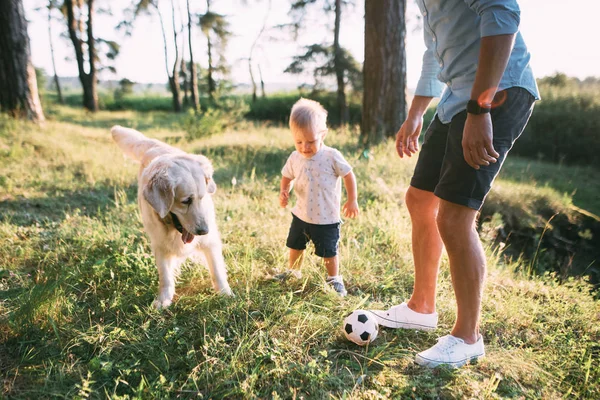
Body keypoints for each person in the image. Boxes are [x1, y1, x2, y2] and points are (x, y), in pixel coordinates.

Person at [371, 0, 540, 368]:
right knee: (419, 199)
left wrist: (480, 109)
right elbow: (435, 50)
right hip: (456, 97)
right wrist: (416, 112)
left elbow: (503, 13)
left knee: (453, 216)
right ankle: (421, 307)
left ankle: (467, 337)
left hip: (498, 90)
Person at [278, 98, 359, 297]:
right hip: (301, 214)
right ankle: (293, 271)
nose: (304, 147)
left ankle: (334, 279)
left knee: (328, 251)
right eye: (299, 142)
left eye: (310, 141)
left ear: (323, 135)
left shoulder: (331, 156)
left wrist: (352, 200)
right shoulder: (295, 157)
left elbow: (348, 174)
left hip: (326, 217)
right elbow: (287, 175)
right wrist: (283, 190)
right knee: (295, 245)